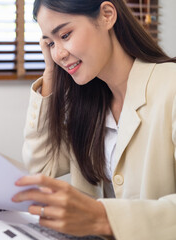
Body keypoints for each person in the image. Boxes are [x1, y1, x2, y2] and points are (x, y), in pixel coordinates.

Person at [11, 0, 176, 239]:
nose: (58, 54)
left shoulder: (170, 86)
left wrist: (102, 217)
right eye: (49, 43)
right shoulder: (87, 102)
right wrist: (50, 74)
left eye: (65, 35)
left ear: (107, 15)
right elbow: (42, 168)